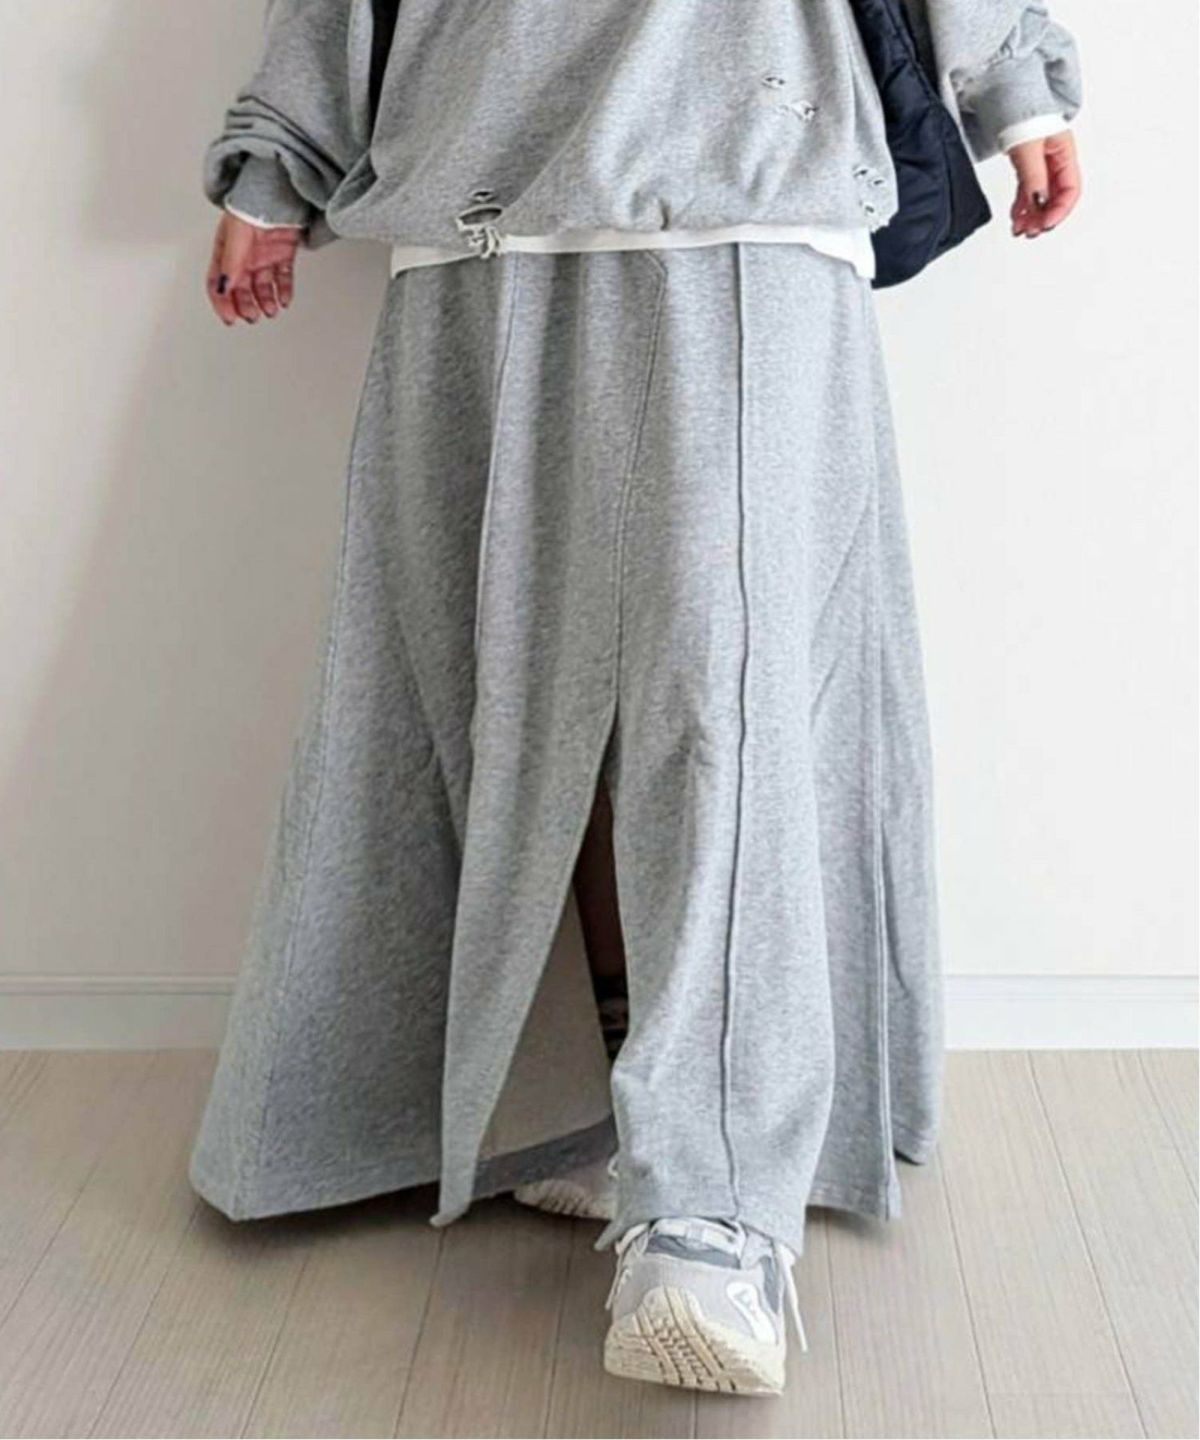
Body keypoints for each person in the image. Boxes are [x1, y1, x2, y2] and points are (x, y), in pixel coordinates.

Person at [193, 0, 1082, 1396]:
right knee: (502, 715)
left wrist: (1013, 80)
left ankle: (713, 1207)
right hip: (479, 204)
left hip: (749, 189)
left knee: (718, 707)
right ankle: (585, 1105)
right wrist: (279, 156)